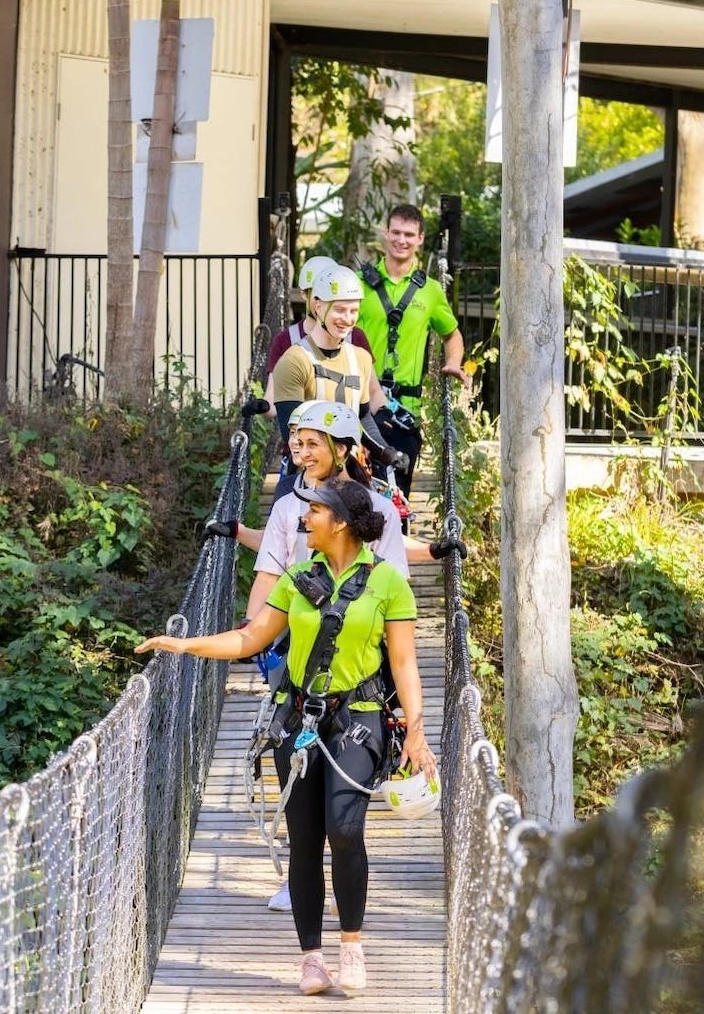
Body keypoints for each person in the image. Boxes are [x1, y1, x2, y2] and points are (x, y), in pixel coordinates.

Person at [137, 476, 437, 996]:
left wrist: (416, 732)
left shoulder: (388, 582)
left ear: (339, 521)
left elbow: (406, 663)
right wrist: (184, 647)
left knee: (345, 829)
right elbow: (250, 637)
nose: (303, 519)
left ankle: (351, 944)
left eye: (313, 512)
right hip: (296, 721)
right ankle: (312, 958)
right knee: (303, 839)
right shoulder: (298, 578)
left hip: (358, 718)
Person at [357, 204, 467, 495]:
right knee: (357, 497)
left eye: (409, 234)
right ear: (386, 233)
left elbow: (451, 334)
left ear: (420, 238)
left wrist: (454, 361)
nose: (401, 240)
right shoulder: (358, 285)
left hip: (404, 411)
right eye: (395, 232)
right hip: (360, 403)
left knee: (397, 496)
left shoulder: (430, 291)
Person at [270, 265, 387, 450]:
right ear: (319, 307)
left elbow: (363, 417)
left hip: (351, 469)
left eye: (353, 311)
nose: (348, 319)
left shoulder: (360, 358)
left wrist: (384, 451)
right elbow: (293, 434)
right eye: (339, 310)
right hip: (308, 468)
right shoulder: (293, 361)